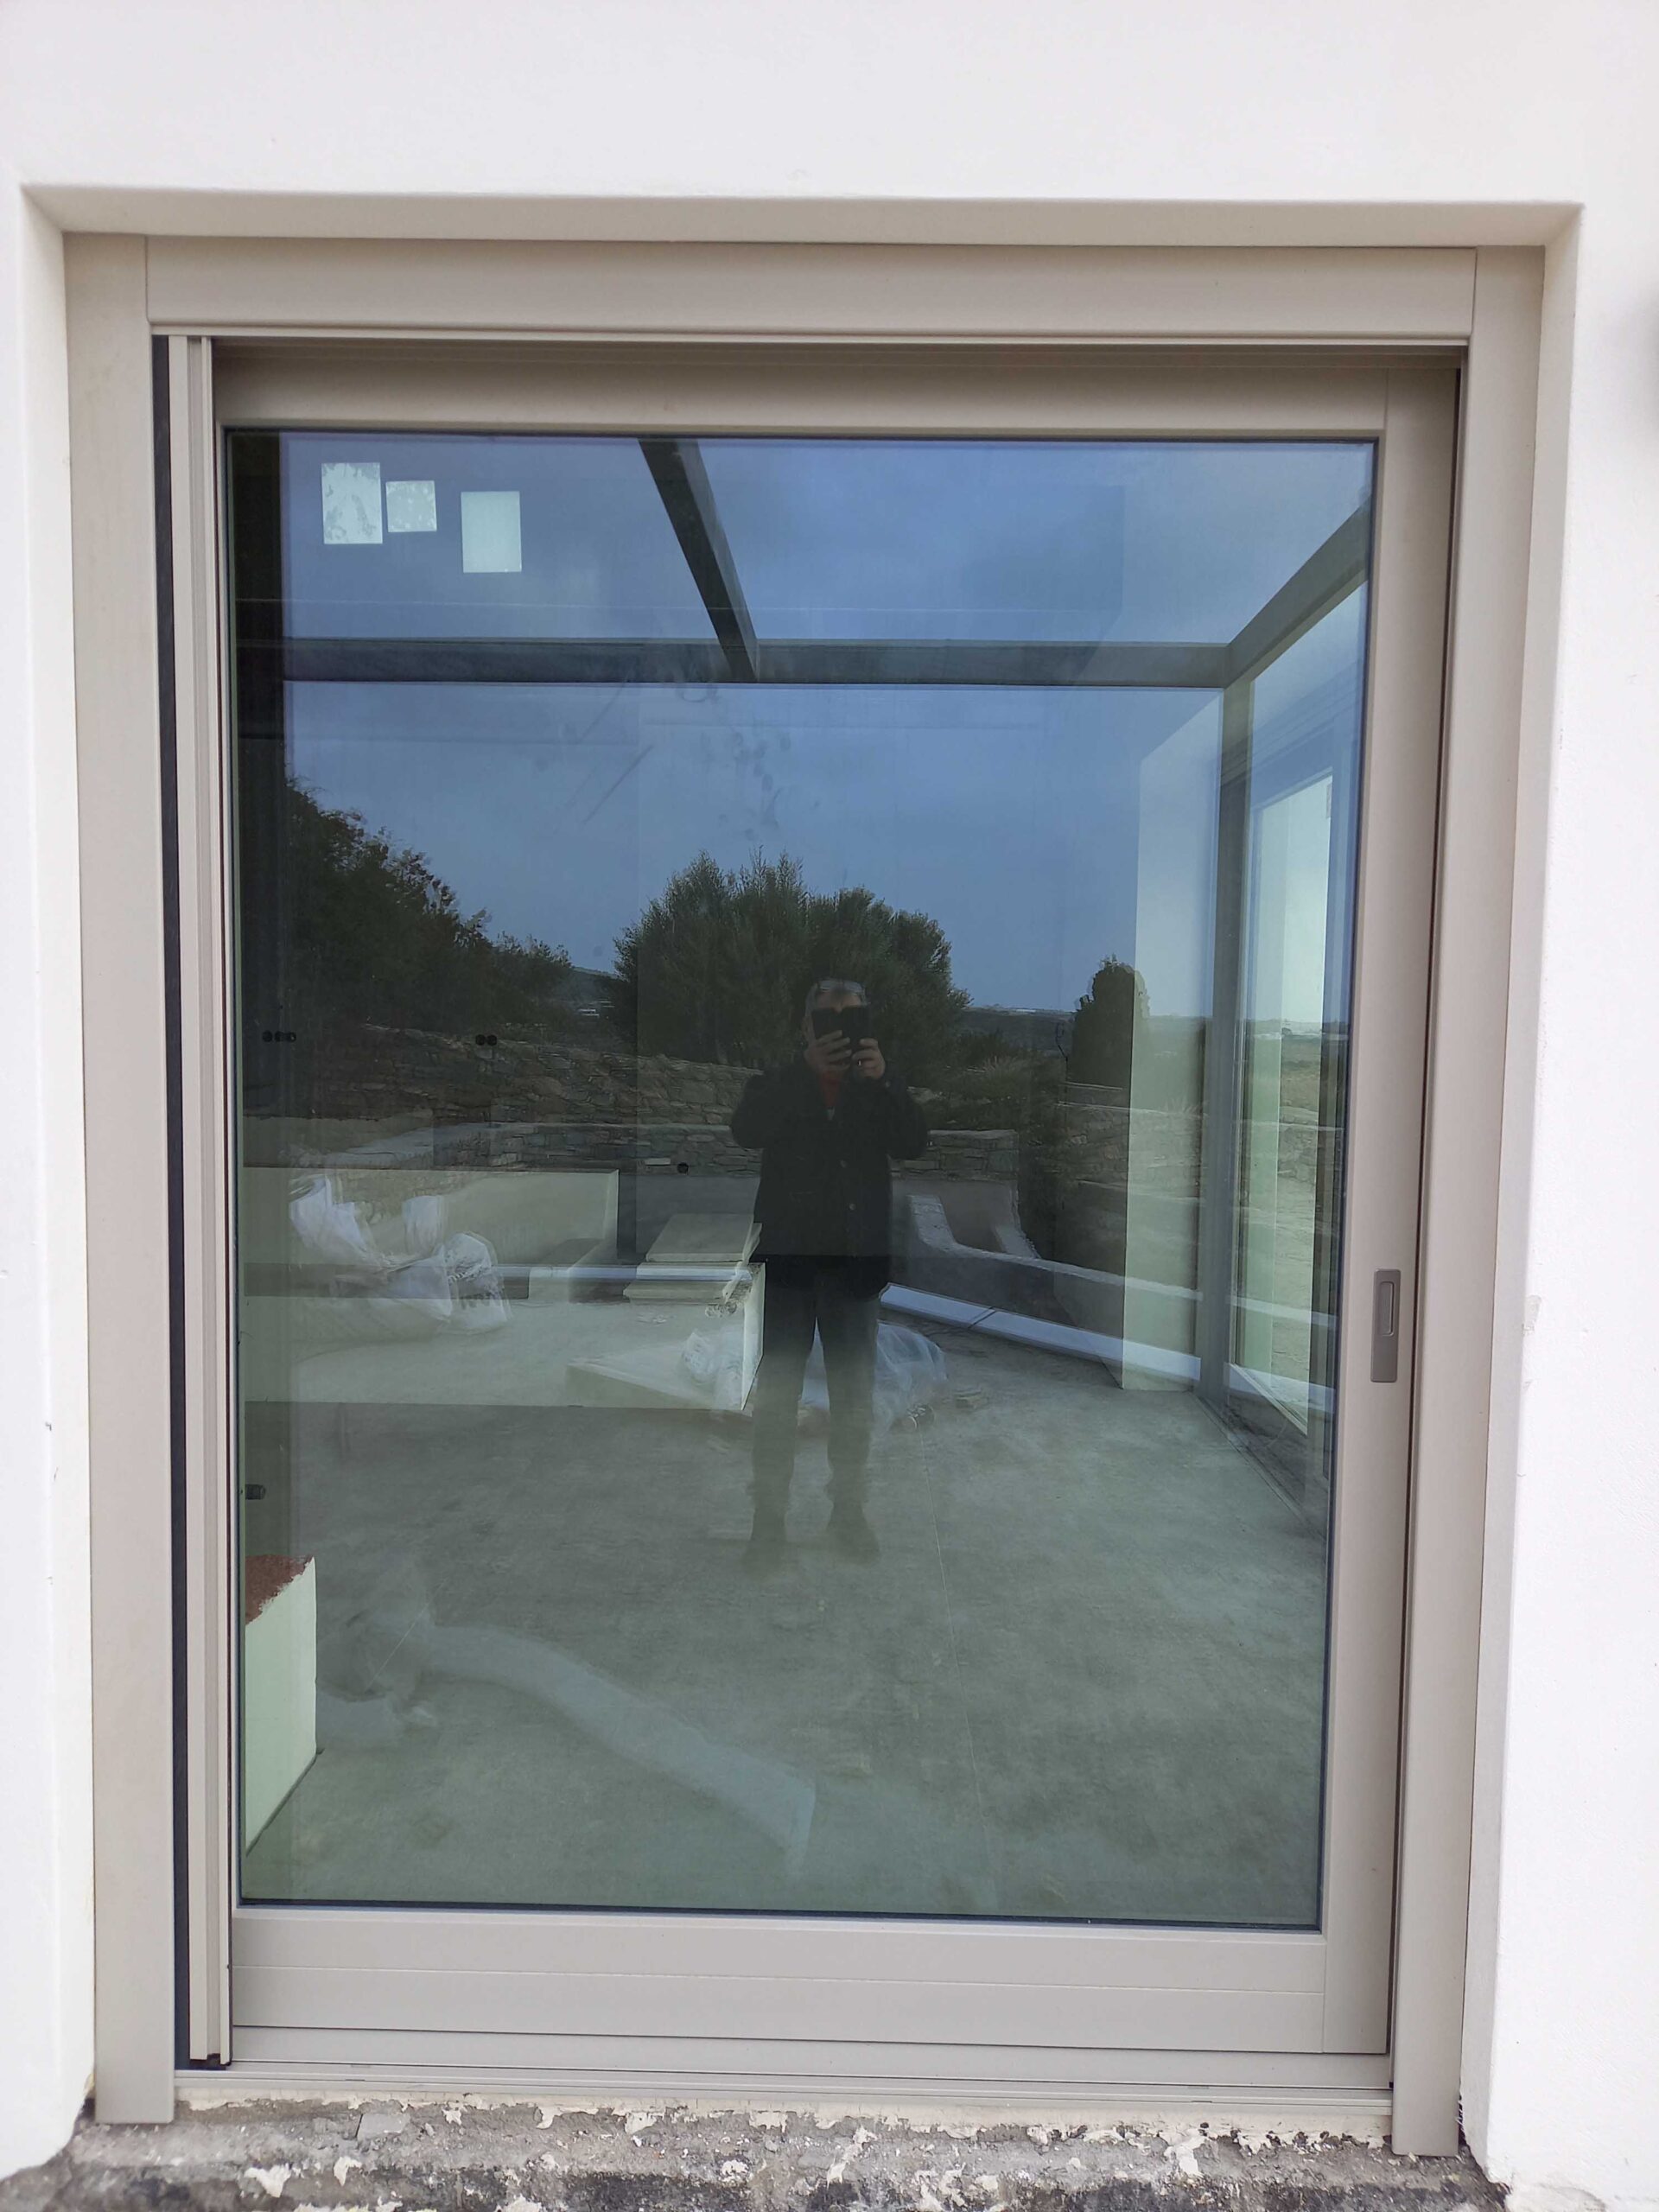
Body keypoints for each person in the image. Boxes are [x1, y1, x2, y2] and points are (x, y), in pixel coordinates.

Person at [729, 978, 929, 1573]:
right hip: (789, 1264)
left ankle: (848, 1512)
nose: (840, 1023)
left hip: (854, 1266)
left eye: (851, 1014)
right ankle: (768, 1524)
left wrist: (885, 1081)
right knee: (776, 1399)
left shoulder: (879, 1085)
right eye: (827, 1014)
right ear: (806, 1025)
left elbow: (914, 1142)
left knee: (853, 1401)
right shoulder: (778, 1081)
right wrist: (803, 1073)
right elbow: (746, 1130)